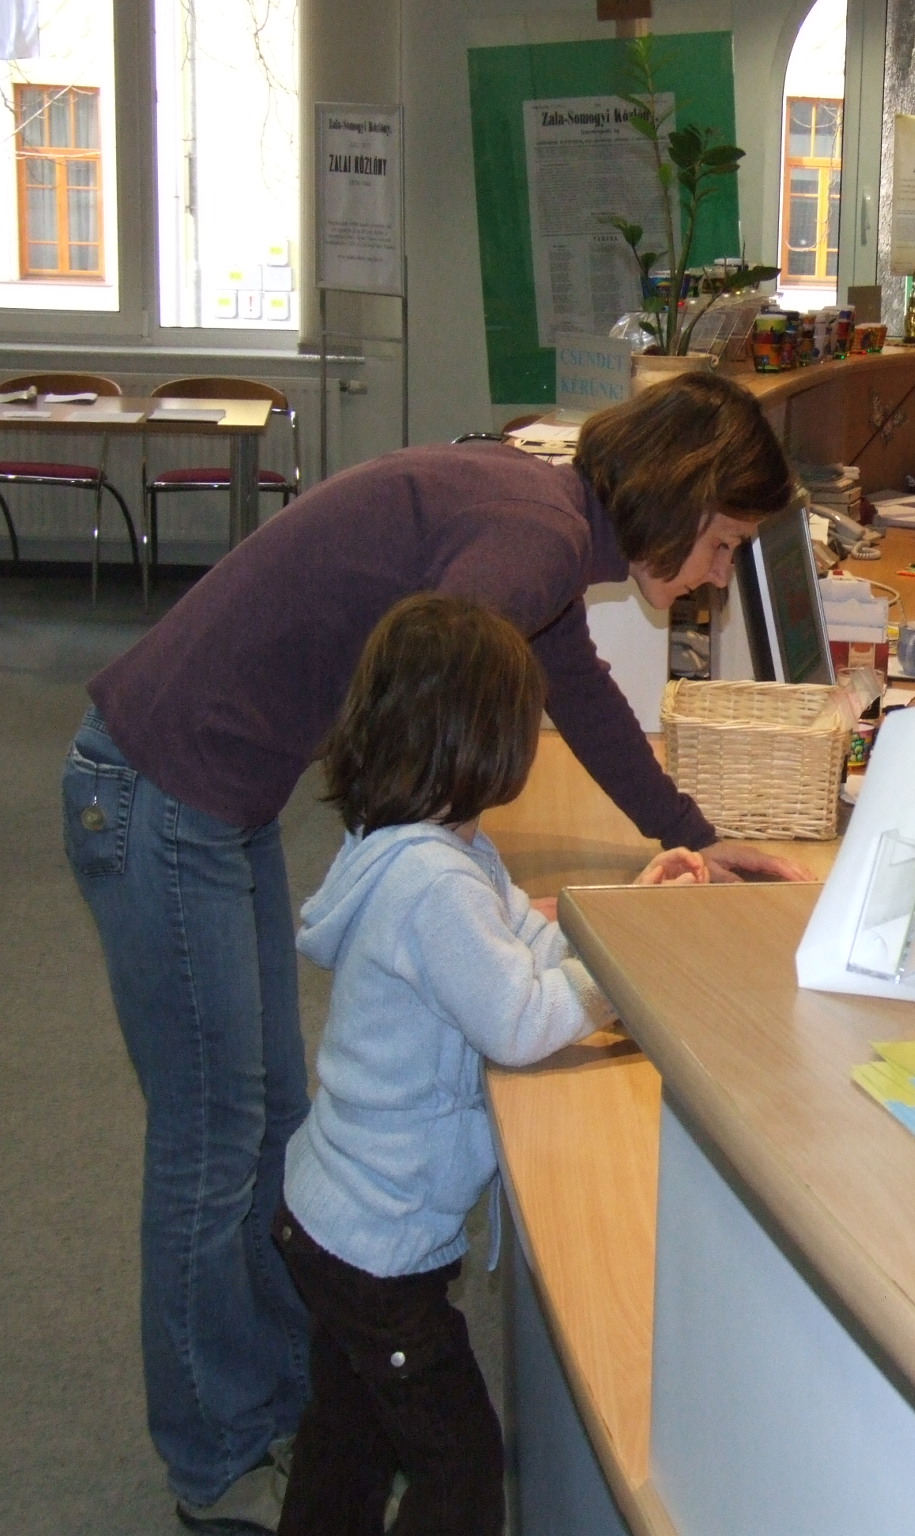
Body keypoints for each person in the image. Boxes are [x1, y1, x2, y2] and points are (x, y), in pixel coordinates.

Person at [61, 373, 810, 1530]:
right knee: (216, 1142)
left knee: (267, 1118)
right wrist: (458, 906)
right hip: (162, 785)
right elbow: (427, 704)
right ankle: (216, 1460)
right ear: (680, 495)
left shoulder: (550, 526)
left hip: (209, 789)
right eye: (721, 544)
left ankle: (280, 1405)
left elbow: (570, 685)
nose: (716, 575)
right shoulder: (532, 541)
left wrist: (692, 837)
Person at [272, 593, 704, 1536]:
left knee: (348, 1443)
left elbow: (527, 944)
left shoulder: (435, 846)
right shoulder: (432, 884)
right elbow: (519, 1018)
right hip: (377, 1247)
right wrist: (618, 972)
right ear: (481, 742)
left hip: (338, 1221)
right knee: (460, 1467)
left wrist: (622, 916)